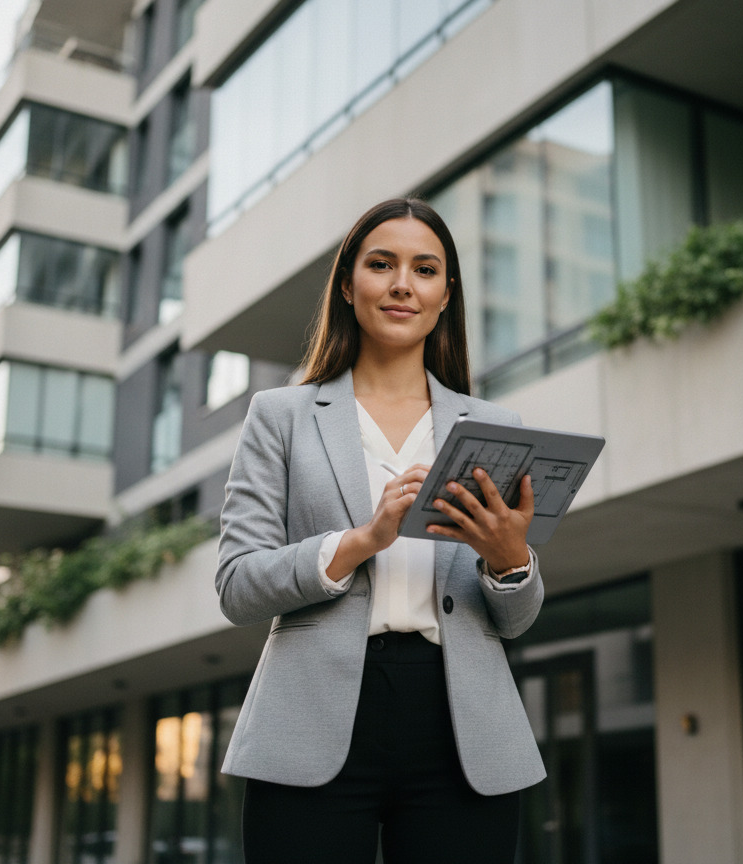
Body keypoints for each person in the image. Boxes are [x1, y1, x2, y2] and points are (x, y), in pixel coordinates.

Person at [215, 197, 546, 863]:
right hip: (309, 720)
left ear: (445, 295)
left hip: (462, 728)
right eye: (381, 264)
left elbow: (513, 621)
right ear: (347, 283)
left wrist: (510, 562)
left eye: (425, 269)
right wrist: (359, 542)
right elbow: (236, 586)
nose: (403, 284)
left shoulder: (494, 427)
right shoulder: (281, 415)